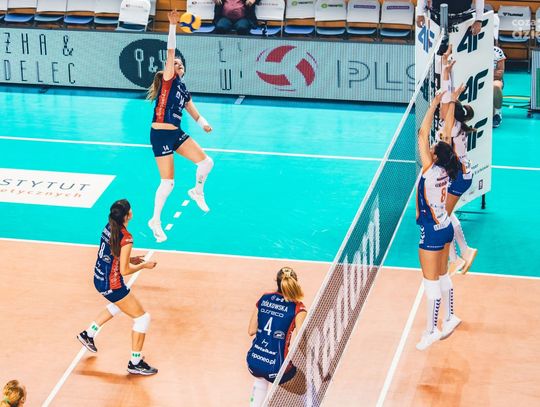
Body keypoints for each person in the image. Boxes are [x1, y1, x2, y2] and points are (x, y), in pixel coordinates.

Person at [147, 10, 214, 243]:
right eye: (175, 63)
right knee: (168, 183)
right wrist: (173, 26)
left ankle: (197, 191)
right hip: (160, 135)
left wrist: (204, 124)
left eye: (180, 64)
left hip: (175, 133)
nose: (178, 64)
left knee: (207, 162)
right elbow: (170, 51)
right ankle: (155, 221)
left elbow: (194, 113)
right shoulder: (168, 81)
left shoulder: (183, 90)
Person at [77, 199, 159, 376]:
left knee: (119, 305)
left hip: (99, 278)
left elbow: (112, 254)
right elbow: (125, 270)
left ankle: (88, 334)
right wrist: (143, 266)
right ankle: (135, 363)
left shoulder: (109, 227)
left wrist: (130, 258)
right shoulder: (126, 238)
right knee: (143, 318)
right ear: (127, 215)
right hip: (112, 284)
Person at [416, 91, 462, 351]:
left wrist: (434, 103)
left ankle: (432, 330)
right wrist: (451, 100)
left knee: (430, 282)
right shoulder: (447, 167)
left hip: (432, 232)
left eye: (432, 149)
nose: (430, 147)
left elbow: (422, 134)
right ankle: (450, 316)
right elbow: (444, 135)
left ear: (434, 157)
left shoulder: (431, 171)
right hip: (445, 227)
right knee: (443, 274)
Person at [436, 46, 478, 275]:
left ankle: (458, 256)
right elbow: (447, 98)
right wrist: (446, 69)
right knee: (446, 214)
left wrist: (452, 92)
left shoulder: (451, 126)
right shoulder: (454, 123)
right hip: (463, 174)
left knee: (444, 215)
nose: (441, 108)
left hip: (460, 176)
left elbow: (447, 99)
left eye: (446, 107)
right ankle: (461, 253)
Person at [246, 267, 307, 407]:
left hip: (253, 361)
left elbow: (251, 330)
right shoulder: (298, 308)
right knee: (304, 386)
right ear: (295, 282)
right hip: (277, 369)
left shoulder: (264, 298)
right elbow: (302, 344)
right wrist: (319, 368)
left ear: (277, 282)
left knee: (261, 377)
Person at [416, 0, 484, 34]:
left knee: (459, 54)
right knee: (437, 51)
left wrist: (479, 20)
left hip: (463, 18)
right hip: (437, 17)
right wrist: (420, 13)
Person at [493, 15, 506, 128]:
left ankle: (497, 114)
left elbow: (500, 73)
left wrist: (489, 74)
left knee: (496, 86)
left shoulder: (497, 52)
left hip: (494, 80)